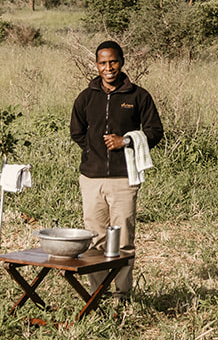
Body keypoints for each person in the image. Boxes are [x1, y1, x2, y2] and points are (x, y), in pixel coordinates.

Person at [69, 40, 163, 299]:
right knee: (95, 239)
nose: (108, 67)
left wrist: (127, 141)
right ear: (96, 64)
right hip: (91, 178)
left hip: (124, 178)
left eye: (113, 62)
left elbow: (155, 132)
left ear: (121, 62)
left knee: (122, 240)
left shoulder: (138, 96)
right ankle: (98, 292)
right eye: (102, 62)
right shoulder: (87, 97)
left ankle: (122, 295)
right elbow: (76, 132)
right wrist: (93, 152)